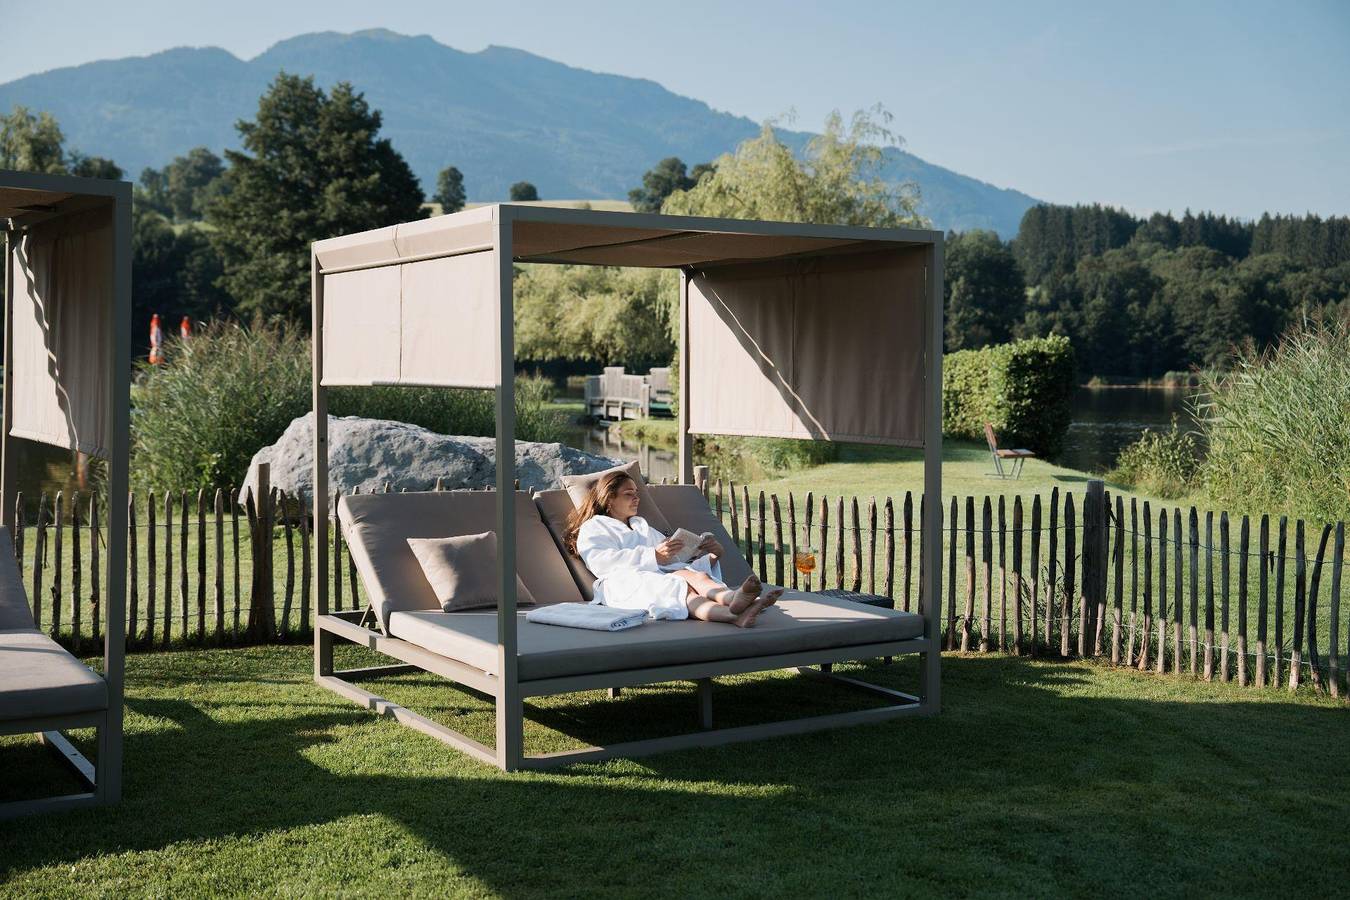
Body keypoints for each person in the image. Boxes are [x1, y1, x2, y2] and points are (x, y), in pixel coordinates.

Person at [564, 470, 781, 626]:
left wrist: (710, 554)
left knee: (696, 576)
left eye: (637, 492)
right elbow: (602, 563)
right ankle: (733, 615)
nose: (636, 498)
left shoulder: (641, 526)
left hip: (659, 574)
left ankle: (733, 601)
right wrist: (653, 556)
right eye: (629, 494)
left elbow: (674, 560)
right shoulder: (594, 527)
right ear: (609, 498)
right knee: (682, 588)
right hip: (622, 584)